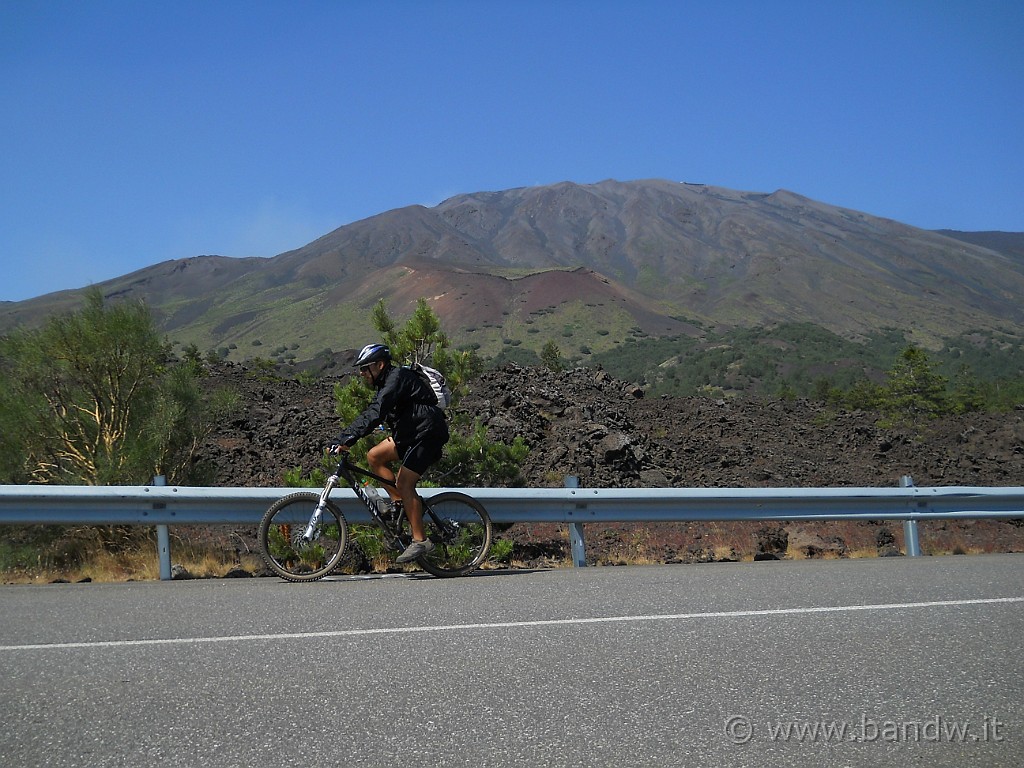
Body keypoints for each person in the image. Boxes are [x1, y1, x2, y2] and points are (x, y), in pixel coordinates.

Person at [328, 343, 450, 563]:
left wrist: (347, 438)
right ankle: (398, 506)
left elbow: (376, 411)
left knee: (405, 483)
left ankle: (420, 540)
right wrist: (342, 438)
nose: (362, 373)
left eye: (365, 368)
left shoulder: (397, 378)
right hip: (411, 434)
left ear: (380, 365)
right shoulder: (387, 381)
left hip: (428, 434)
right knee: (375, 456)